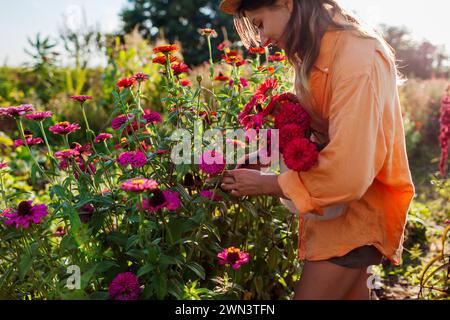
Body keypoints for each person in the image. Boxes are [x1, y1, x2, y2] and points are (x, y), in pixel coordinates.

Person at [218, 0, 416, 300]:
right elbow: (324, 129)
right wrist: (269, 153)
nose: (263, 40)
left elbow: (348, 170)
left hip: (356, 216)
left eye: (259, 24)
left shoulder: (355, 55)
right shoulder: (319, 51)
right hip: (340, 215)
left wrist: (267, 184)